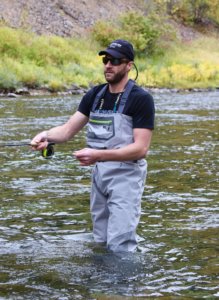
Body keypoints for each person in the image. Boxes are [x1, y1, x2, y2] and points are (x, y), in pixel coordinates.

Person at [31, 39, 155, 253]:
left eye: (115, 61)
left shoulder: (141, 99)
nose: (108, 65)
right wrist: (46, 136)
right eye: (106, 59)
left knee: (121, 245)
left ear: (129, 65)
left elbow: (141, 149)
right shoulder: (94, 95)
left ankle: (126, 284)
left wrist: (97, 155)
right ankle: (101, 286)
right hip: (100, 177)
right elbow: (68, 131)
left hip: (127, 177)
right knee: (100, 241)